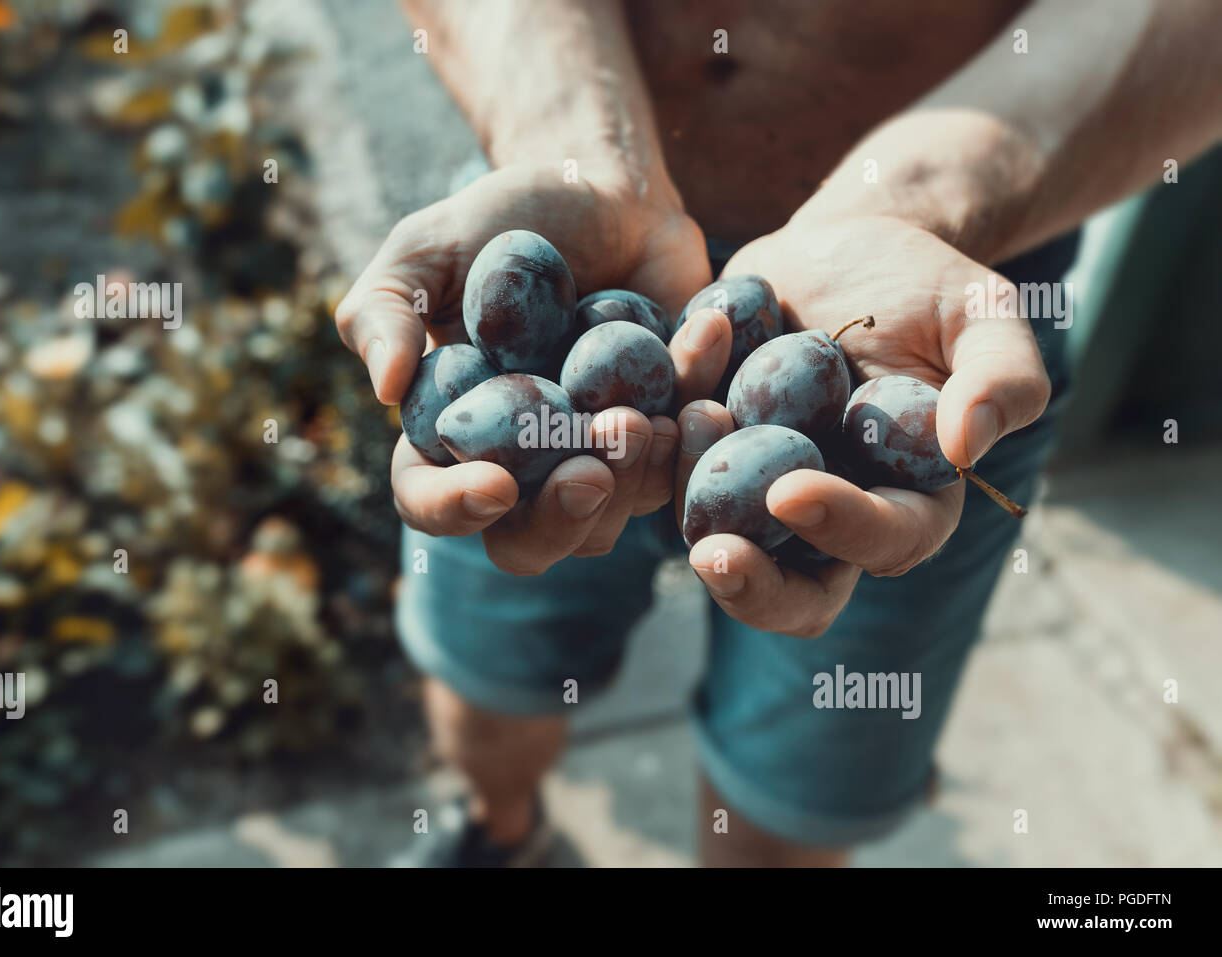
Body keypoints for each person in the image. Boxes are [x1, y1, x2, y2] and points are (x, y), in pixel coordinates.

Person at [335, 0, 1222, 867]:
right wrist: (571, 148)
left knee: (794, 800)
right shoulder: (538, 322)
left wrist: (915, 202)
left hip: (913, 319)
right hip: (562, 238)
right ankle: (504, 833)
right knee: (484, 679)